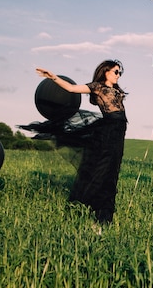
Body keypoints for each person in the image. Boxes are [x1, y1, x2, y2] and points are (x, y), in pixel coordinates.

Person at [33, 60, 128, 226]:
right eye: (115, 72)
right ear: (106, 72)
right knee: (102, 173)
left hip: (118, 136)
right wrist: (53, 77)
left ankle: (105, 218)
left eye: (119, 72)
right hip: (107, 134)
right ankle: (94, 214)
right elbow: (72, 89)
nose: (118, 75)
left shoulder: (116, 90)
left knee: (112, 174)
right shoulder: (98, 87)